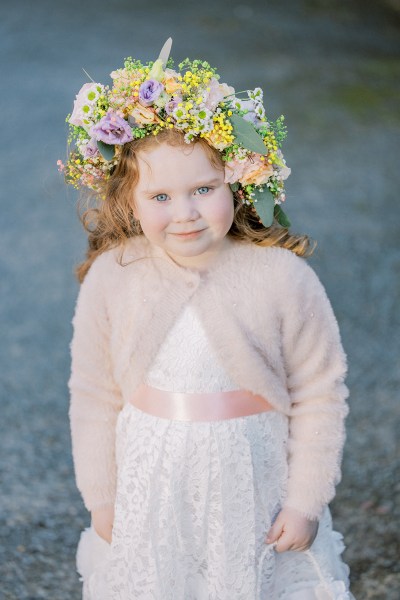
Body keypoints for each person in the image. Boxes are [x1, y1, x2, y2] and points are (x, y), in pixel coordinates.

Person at [60, 39, 355, 599]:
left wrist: (304, 500)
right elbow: (94, 392)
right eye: (161, 196)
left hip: (250, 483)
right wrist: (102, 496)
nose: (186, 213)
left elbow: (321, 391)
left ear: (238, 182)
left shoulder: (281, 277)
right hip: (152, 485)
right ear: (129, 202)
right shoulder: (113, 276)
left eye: (203, 189)